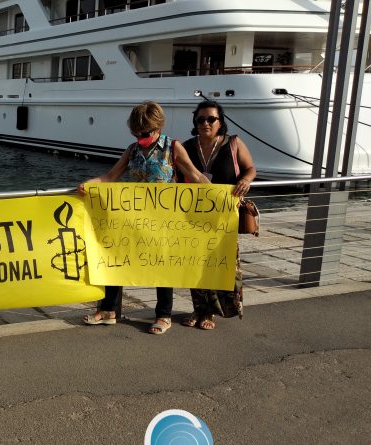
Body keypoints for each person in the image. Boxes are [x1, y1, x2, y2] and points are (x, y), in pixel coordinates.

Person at [78, 101, 210, 335]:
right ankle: (108, 310)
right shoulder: (132, 150)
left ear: (158, 127)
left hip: (164, 220)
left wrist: (221, 198)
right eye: (136, 133)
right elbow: (110, 177)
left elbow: (196, 176)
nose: (141, 137)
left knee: (162, 265)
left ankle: (163, 315)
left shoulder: (173, 147)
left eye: (145, 133)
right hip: (132, 218)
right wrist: (89, 184)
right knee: (116, 258)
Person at [179, 100, 256, 330]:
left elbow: (251, 168)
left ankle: (211, 313)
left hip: (224, 219)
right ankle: (198, 308)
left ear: (220, 122)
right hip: (195, 218)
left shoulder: (233, 144)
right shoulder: (187, 147)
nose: (205, 123)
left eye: (211, 119)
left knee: (221, 265)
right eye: (201, 119)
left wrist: (245, 180)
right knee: (196, 265)